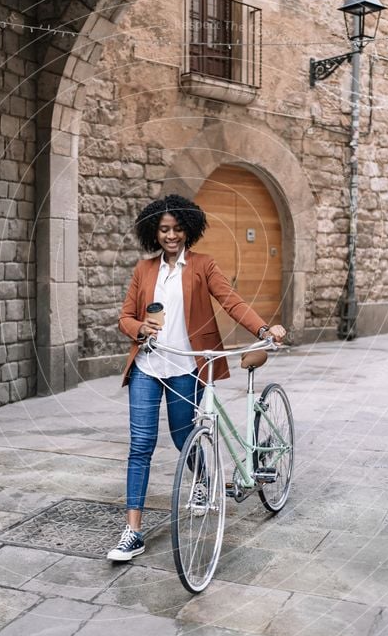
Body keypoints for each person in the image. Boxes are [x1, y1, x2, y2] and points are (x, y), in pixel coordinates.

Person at [107, 193, 286, 561]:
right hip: (147, 366)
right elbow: (124, 317)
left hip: (186, 366)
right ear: (153, 233)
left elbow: (230, 300)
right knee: (140, 445)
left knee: (182, 435)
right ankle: (133, 532)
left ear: (188, 230)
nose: (170, 236)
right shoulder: (144, 270)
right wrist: (140, 328)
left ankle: (204, 478)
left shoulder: (203, 265)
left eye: (177, 229)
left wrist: (264, 328)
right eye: (163, 230)